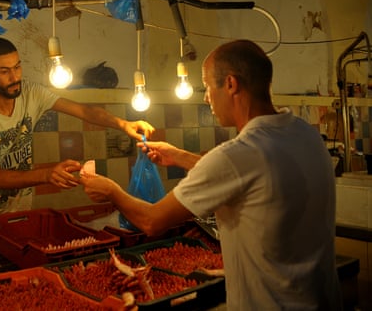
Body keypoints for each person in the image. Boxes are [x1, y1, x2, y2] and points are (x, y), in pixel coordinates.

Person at [81, 39, 342, 310]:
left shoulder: (237, 154)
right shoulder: (303, 133)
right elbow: (252, 173)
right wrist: (181, 157)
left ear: (230, 84)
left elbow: (151, 221)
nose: (206, 97)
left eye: (207, 86)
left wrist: (111, 190)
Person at [0, 37, 155, 264]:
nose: (15, 78)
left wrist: (123, 124)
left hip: (23, 215)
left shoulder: (31, 93)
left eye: (17, 67)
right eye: (4, 71)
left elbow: (84, 111)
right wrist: (46, 174)